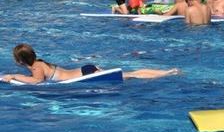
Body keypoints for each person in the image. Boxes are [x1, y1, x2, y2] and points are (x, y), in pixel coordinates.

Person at [1, 43, 178, 83]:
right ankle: (167, 72)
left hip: (86, 74)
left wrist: (13, 76)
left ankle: (168, 73)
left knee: (132, 75)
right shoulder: (39, 62)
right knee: (131, 73)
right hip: (85, 70)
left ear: (20, 60)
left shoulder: (37, 67)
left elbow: (36, 81)